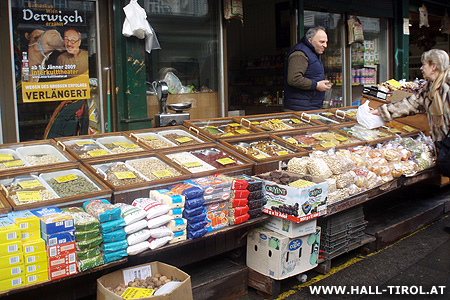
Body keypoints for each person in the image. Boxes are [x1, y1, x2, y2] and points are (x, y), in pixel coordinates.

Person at [370, 49, 450, 145]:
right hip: (442, 143)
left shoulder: (447, 86)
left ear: (434, 66)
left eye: (424, 64)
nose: (421, 68)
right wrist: (383, 111)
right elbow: (412, 104)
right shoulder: (430, 88)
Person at [284, 26, 332, 111]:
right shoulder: (300, 54)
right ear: (310, 40)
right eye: (321, 42)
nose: (325, 45)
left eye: (326, 42)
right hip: (300, 109)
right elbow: (294, 79)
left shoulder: (313, 53)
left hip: (309, 107)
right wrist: (316, 85)